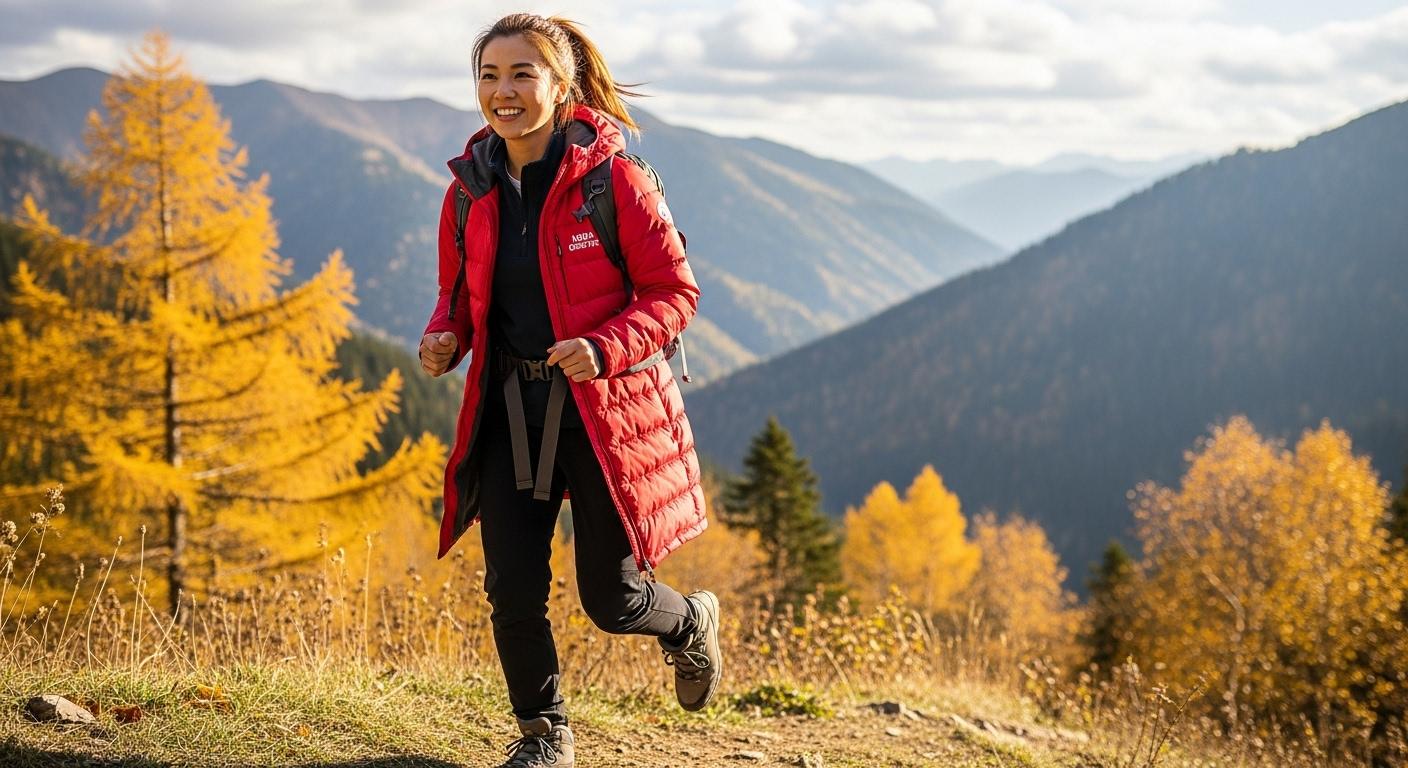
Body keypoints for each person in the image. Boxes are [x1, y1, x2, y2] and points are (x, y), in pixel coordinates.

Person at [417, 13, 719, 768]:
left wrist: (604, 345)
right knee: (511, 587)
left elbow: (674, 293)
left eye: (522, 74)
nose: (503, 92)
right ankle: (544, 735)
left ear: (561, 85)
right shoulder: (468, 190)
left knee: (613, 601)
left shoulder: (613, 179)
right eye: (489, 76)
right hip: (506, 410)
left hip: (603, 413)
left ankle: (690, 625)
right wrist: (445, 335)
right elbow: (454, 295)